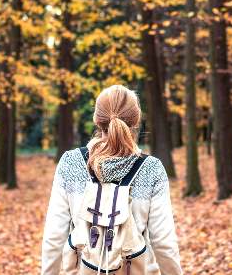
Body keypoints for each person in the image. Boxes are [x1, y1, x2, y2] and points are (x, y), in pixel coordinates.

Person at [41, 85, 182, 274]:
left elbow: (54, 237)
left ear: (97, 120)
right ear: (136, 119)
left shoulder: (70, 162)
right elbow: (164, 243)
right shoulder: (152, 169)